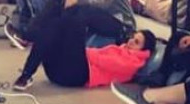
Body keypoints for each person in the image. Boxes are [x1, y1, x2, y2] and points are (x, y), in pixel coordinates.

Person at [11, 19, 156, 91]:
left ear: (144, 50)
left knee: (75, 23)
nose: (131, 41)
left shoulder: (132, 64)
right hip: (59, 73)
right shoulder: (121, 49)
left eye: (136, 42)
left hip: (78, 76)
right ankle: (26, 75)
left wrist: (79, 50)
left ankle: (26, 38)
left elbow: (101, 60)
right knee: (53, 29)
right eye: (133, 37)